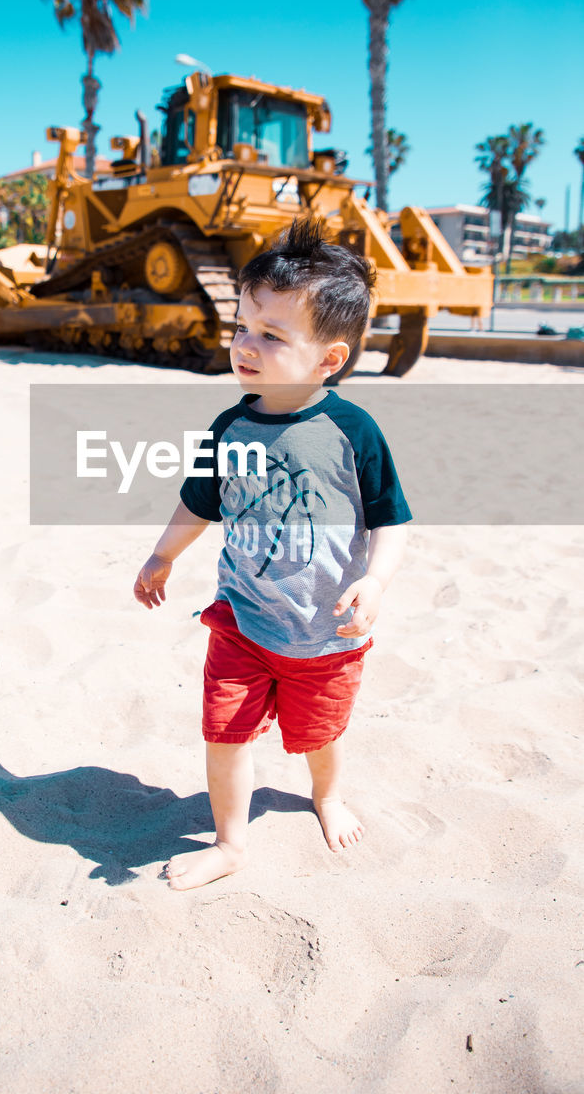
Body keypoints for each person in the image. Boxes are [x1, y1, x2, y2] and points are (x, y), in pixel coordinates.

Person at [134, 217, 411, 891]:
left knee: (318, 736)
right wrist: (161, 556)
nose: (245, 347)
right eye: (241, 328)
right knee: (223, 734)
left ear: (329, 359)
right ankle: (230, 844)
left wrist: (374, 582)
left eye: (271, 335)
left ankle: (326, 797)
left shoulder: (351, 431)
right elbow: (201, 502)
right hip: (243, 622)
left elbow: (392, 519)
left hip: (325, 634)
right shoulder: (230, 426)